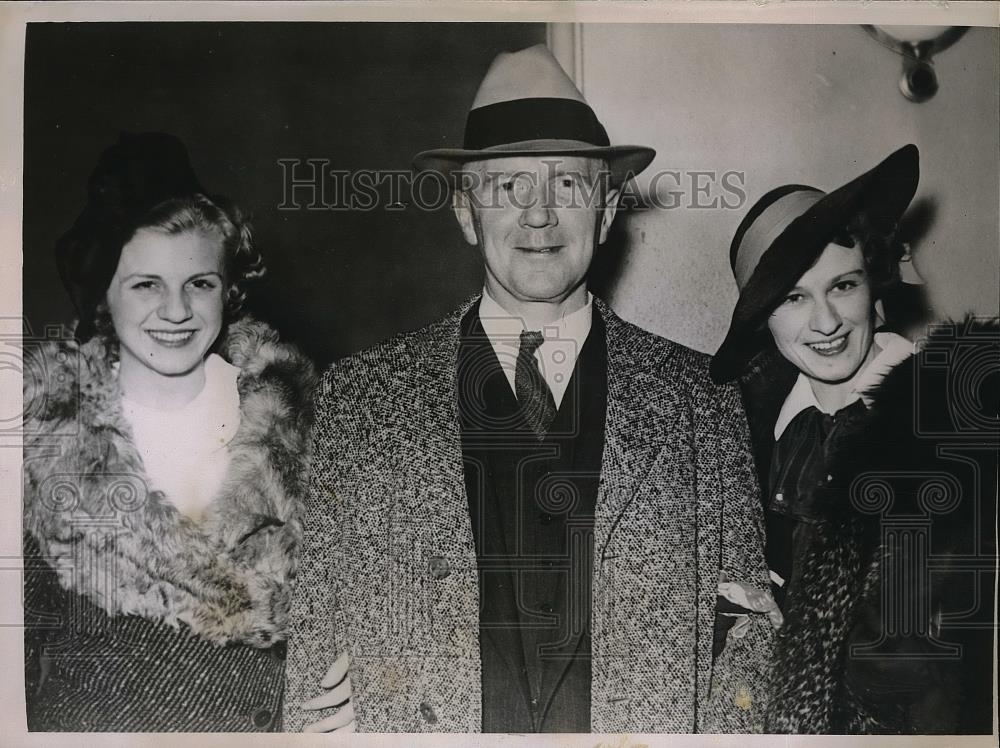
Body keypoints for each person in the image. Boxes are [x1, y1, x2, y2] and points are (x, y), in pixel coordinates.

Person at [284, 44, 774, 734]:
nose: (538, 214)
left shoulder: (703, 403)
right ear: (465, 212)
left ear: (605, 213)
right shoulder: (360, 403)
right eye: (508, 185)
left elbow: (749, 647)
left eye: (567, 185)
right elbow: (314, 656)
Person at [22, 132, 317, 731]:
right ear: (103, 292)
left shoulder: (309, 422)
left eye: (199, 283)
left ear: (229, 286)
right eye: (146, 284)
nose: (177, 311)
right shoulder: (38, 438)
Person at [710, 144, 998, 734]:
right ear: (763, 320)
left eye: (842, 286)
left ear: (876, 283)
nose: (825, 322)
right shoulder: (741, 436)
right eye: (793, 298)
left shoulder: (957, 431)